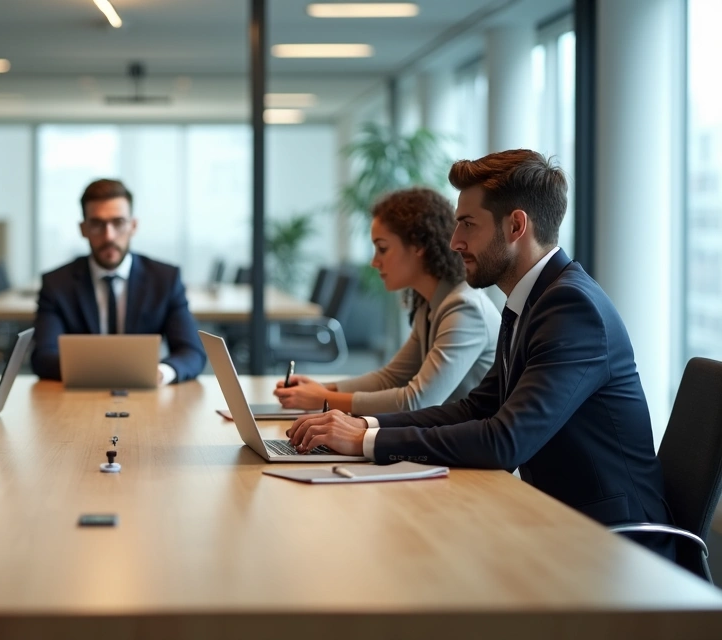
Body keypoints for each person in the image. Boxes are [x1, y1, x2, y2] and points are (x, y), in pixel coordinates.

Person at [285, 150, 673, 559]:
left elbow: (505, 440)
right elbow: (477, 408)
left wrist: (366, 440)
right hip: (557, 524)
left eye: (467, 225)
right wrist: (361, 422)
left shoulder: (572, 310)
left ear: (516, 226)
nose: (454, 242)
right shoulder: (531, 300)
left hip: (618, 547)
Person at [274, 188, 499, 414]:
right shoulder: (431, 303)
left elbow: (417, 401)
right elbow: (392, 378)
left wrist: (324, 399)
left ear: (419, 245)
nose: (374, 261)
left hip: (470, 445)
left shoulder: (464, 308)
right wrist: (321, 389)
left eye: (382, 249)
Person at [30, 178, 206, 384]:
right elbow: (43, 356)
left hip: (147, 395)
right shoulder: (57, 284)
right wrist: (113, 373)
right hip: (80, 397)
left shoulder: (165, 279)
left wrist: (160, 372)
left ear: (133, 226)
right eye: (97, 224)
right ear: (83, 229)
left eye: (118, 223)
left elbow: (192, 352)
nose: (109, 236)